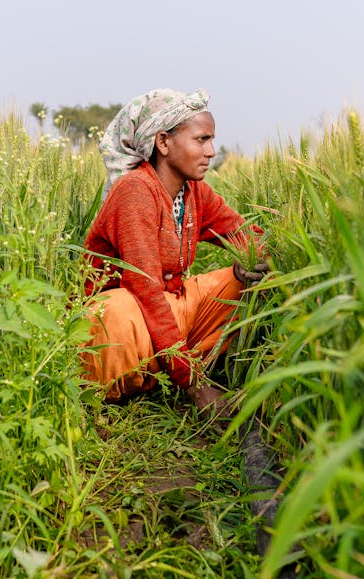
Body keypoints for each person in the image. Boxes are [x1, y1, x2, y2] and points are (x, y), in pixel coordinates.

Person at [80, 88, 269, 418]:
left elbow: (246, 236)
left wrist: (251, 260)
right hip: (130, 320)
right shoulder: (135, 191)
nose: (211, 151)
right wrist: (196, 385)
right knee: (117, 310)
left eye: (212, 140)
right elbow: (147, 294)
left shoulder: (193, 191)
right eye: (201, 139)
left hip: (166, 308)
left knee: (239, 285)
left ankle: (166, 367)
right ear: (164, 143)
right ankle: (157, 373)